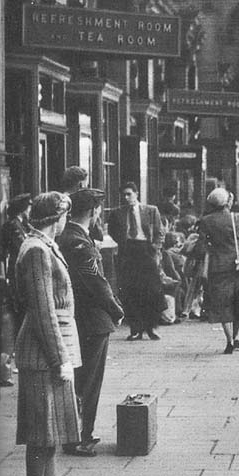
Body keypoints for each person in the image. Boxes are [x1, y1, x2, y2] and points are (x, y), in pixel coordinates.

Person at [15, 192, 85, 476]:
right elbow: (43, 311)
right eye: (64, 215)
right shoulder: (36, 251)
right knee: (41, 429)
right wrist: (60, 359)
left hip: (51, 348)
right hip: (42, 353)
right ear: (53, 218)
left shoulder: (44, 246)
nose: (66, 220)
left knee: (52, 427)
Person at [56, 188, 124, 456]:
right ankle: (80, 437)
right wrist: (117, 309)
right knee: (88, 381)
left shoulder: (73, 236)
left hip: (82, 317)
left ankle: (79, 432)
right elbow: (96, 283)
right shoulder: (78, 242)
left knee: (82, 380)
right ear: (94, 211)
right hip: (91, 319)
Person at [105, 182, 164, 341]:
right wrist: (122, 245)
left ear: (136, 194)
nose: (126, 198)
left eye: (129, 194)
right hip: (128, 252)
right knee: (131, 291)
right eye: (123, 195)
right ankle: (135, 329)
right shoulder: (117, 213)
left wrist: (155, 248)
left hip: (146, 250)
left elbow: (159, 232)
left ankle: (151, 327)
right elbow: (112, 231)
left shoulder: (151, 211)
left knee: (151, 290)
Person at [197, 187, 239, 354]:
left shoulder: (206, 221)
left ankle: (229, 340)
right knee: (238, 301)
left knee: (223, 304)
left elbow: (202, 245)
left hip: (217, 267)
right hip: (238, 266)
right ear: (228, 202)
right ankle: (235, 337)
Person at [0, 193, 32, 388]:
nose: (30, 211)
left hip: (17, 273)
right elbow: (21, 248)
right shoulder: (13, 226)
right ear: (22, 209)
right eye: (28, 207)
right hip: (16, 275)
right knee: (16, 316)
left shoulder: (21, 225)